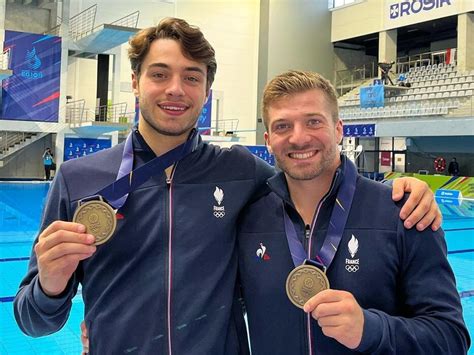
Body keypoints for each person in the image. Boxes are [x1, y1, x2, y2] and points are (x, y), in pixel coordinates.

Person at [15, 19, 441, 354]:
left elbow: (314, 180)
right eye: (160, 74)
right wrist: (51, 285)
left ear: (207, 90)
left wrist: (402, 189)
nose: (176, 90)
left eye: (192, 77)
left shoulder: (241, 172)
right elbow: (33, 321)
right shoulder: (78, 180)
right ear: (135, 81)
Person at [237, 70, 470, 354]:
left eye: (313, 121)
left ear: (338, 128)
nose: (298, 138)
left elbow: (450, 337)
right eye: (283, 126)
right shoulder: (249, 218)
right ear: (268, 139)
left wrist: (371, 330)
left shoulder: (403, 213)